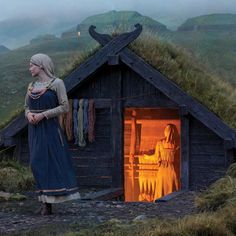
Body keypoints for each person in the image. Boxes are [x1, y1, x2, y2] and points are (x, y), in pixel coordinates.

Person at [24, 53, 80, 215]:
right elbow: (26, 107)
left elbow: (64, 107)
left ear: (41, 66)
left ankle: (48, 204)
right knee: (36, 163)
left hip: (49, 128)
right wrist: (29, 115)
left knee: (50, 163)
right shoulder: (31, 86)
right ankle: (44, 199)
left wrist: (43, 115)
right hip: (34, 130)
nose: (30, 68)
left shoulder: (57, 84)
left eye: (32, 65)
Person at [144, 124, 180, 200]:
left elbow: (156, 157)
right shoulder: (178, 144)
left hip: (163, 170)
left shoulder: (160, 143)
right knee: (172, 187)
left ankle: (161, 202)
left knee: (162, 187)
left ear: (166, 132)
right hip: (173, 170)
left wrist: (147, 157)